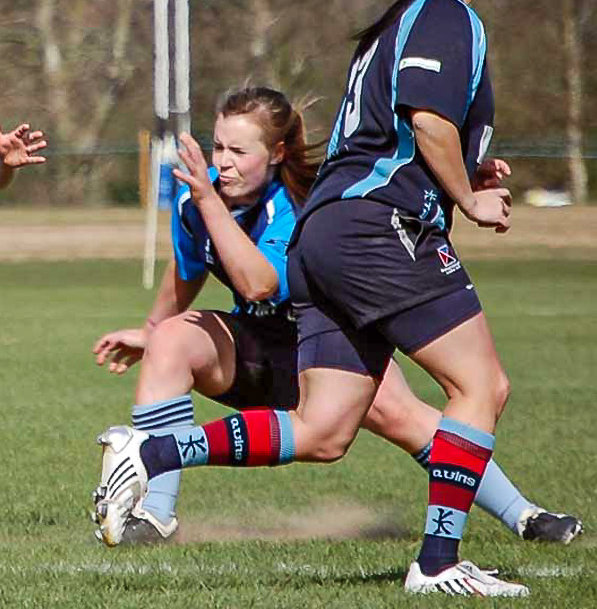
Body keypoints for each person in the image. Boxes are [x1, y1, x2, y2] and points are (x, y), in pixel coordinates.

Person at [95, 0, 538, 597]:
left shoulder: (393, 23)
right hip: (379, 230)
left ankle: (152, 449)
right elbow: (427, 123)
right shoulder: (447, 17)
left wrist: (463, 170)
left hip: (327, 233)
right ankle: (437, 563)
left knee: (324, 430)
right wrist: (468, 197)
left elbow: (394, 137)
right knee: (481, 385)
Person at [92, 87, 581, 549]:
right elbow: (188, 265)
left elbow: (259, 283)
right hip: (254, 348)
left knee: (406, 417)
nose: (222, 161)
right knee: (171, 342)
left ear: (279, 153)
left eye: (239, 151)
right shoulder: (194, 204)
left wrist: (205, 201)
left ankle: (524, 515)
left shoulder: (299, 207)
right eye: (218, 146)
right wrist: (152, 331)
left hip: (325, 339)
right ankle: (154, 516)